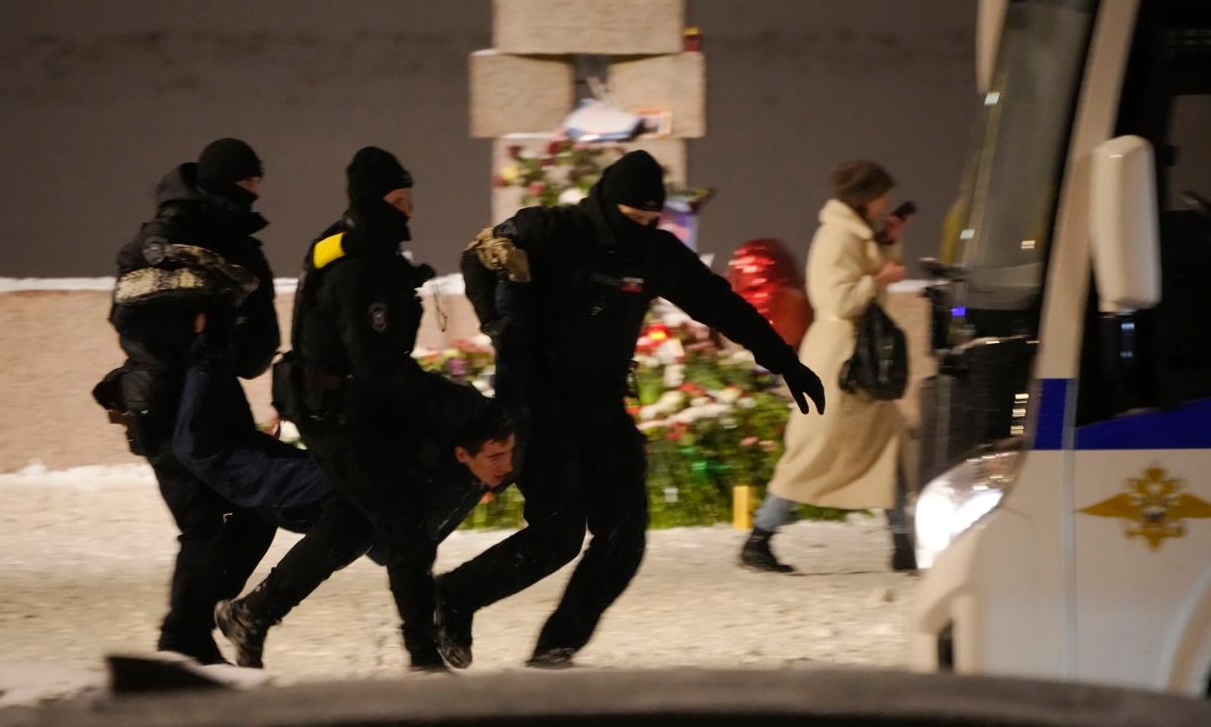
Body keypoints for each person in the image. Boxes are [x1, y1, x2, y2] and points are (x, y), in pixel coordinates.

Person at [436, 150, 826, 669]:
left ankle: (557, 646)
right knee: (558, 536)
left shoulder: (654, 254)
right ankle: (453, 599)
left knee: (625, 536)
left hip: (601, 408)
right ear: (607, 204)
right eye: (631, 218)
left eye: (650, 220)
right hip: (540, 402)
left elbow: (720, 303)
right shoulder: (551, 228)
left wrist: (785, 361)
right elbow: (477, 257)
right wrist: (495, 324)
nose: (639, 229)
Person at [211, 147, 460, 671]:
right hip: (341, 417)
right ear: (375, 200)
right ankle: (423, 654)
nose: (409, 209)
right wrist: (442, 403)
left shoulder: (372, 254)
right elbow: (373, 359)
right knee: (404, 525)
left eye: (410, 197)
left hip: (349, 411)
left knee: (348, 527)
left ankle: (251, 613)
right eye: (398, 199)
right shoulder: (358, 263)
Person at [95, 137, 279, 665]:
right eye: (247, 184)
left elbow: (254, 349)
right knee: (204, 527)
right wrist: (202, 331)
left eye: (257, 184)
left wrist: (219, 336)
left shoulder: (229, 243)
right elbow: (133, 317)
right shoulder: (171, 235)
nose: (254, 193)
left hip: (206, 401)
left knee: (256, 507)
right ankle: (185, 639)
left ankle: (193, 627)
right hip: (166, 403)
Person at [738, 160, 916, 574]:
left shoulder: (853, 235)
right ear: (864, 198)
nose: (885, 202)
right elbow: (836, 298)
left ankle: (904, 544)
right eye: (879, 195)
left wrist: (887, 243)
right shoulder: (836, 237)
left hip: (856, 359)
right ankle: (760, 536)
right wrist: (879, 279)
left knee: (887, 445)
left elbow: (865, 279)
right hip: (840, 361)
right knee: (815, 450)